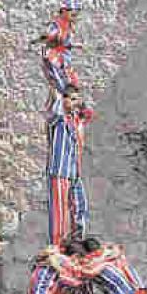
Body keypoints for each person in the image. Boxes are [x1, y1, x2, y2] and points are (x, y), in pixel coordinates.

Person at [46, 84, 94, 246]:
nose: (75, 103)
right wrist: (59, 93)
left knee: (80, 205)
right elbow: (56, 107)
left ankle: (77, 241)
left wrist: (79, 101)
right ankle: (58, 246)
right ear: (63, 100)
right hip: (60, 169)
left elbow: (88, 113)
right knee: (59, 212)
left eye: (76, 99)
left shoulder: (75, 119)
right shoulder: (57, 117)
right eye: (71, 99)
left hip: (74, 170)